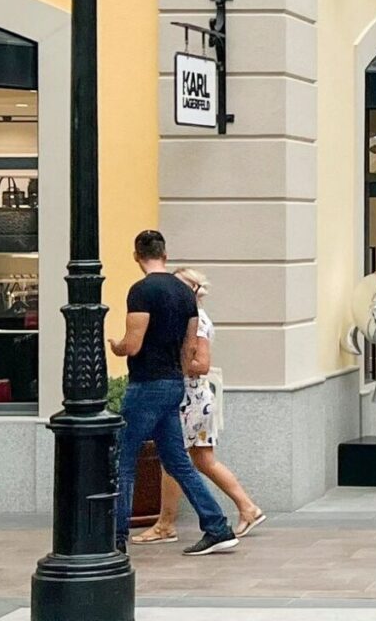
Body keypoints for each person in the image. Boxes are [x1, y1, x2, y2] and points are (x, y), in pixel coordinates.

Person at [108, 230, 237, 556]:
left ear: (137, 255)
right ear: (164, 254)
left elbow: (133, 343)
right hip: (173, 383)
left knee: (123, 459)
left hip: (146, 384)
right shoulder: (184, 293)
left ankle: (114, 538)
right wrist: (176, 375)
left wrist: (116, 346)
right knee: (178, 461)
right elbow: (190, 346)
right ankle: (217, 526)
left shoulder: (141, 291)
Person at [136, 268, 265, 544]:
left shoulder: (196, 322)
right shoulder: (189, 318)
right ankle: (247, 507)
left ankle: (165, 524)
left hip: (189, 398)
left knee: (173, 459)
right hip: (197, 397)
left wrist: (168, 360)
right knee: (204, 460)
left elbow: (202, 364)